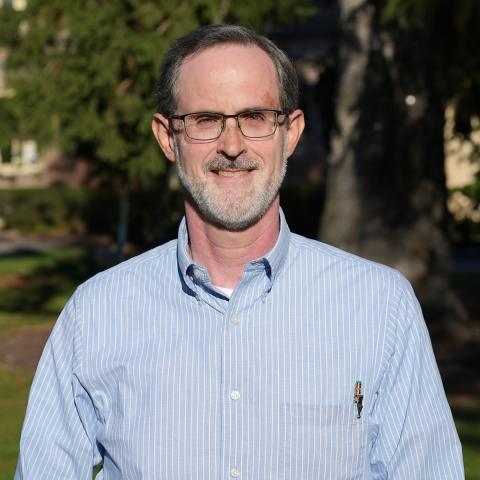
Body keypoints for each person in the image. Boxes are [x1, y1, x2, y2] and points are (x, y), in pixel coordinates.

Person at [15, 25, 464, 479]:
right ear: (168, 137)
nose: (232, 145)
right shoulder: (95, 314)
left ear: (290, 133)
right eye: (206, 120)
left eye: (255, 116)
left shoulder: (380, 306)